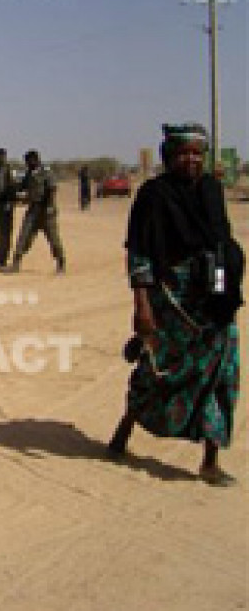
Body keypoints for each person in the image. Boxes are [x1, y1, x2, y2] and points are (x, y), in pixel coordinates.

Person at [107, 123, 242, 486]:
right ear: (169, 157)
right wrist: (143, 306)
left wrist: (220, 293)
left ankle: (210, 459)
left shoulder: (212, 192)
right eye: (184, 153)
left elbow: (219, 246)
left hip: (211, 298)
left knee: (221, 371)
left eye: (197, 153)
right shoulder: (154, 195)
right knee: (159, 370)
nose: (191, 159)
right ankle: (126, 425)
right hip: (170, 298)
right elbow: (139, 252)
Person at [8, 150, 66, 273]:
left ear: (35, 160)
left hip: (46, 211)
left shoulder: (46, 172)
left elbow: (52, 189)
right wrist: (11, 187)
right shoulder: (29, 174)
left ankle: (60, 262)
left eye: (28, 161)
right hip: (33, 210)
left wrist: (49, 206)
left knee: (53, 238)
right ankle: (16, 263)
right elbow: (21, 186)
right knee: (24, 237)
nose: (26, 164)